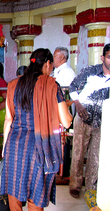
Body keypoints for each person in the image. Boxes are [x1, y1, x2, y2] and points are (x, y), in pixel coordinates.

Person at [1, 48, 72, 210]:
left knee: (14, 191)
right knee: (36, 193)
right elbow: (66, 122)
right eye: (51, 66)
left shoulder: (13, 85)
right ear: (47, 64)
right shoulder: (51, 85)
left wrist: (5, 148)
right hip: (40, 147)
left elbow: (8, 119)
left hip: (15, 145)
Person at [68, 43, 110, 199]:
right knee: (78, 153)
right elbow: (72, 87)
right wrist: (78, 104)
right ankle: (75, 185)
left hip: (104, 120)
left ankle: (91, 188)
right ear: (103, 58)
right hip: (84, 117)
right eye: (109, 57)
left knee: (96, 156)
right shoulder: (90, 72)